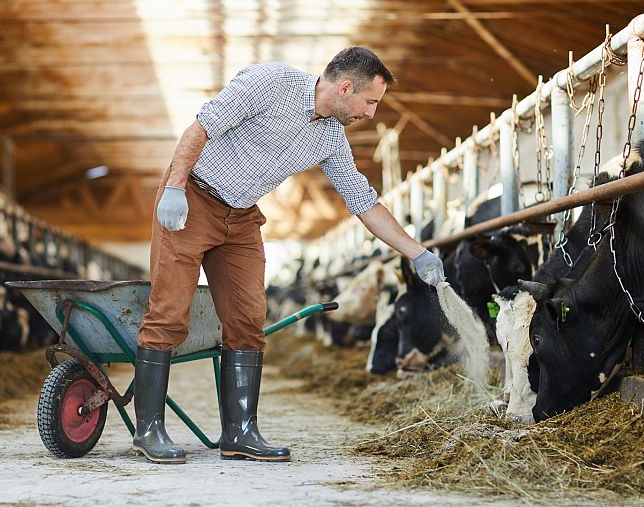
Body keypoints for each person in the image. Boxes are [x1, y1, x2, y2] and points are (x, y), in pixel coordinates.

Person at [131, 47, 445, 464]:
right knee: (170, 312)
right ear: (346, 87)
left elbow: (363, 202)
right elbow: (199, 129)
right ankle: (148, 430)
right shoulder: (270, 83)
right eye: (370, 102)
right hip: (191, 197)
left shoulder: (331, 137)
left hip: (240, 217)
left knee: (247, 318)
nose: (370, 114)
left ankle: (239, 432)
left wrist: (416, 251)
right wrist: (174, 186)